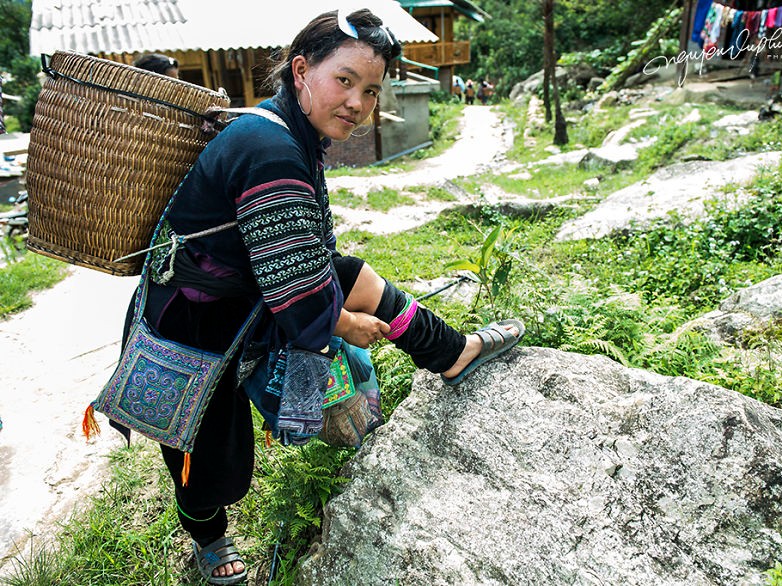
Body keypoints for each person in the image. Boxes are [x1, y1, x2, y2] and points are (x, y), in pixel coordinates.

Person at [116, 9, 523, 584]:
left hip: (236, 301)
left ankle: (447, 350)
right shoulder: (272, 148)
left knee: (351, 273)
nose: (358, 102)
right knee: (210, 463)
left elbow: (303, 254)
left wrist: (340, 302)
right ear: (302, 71)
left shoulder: (285, 129)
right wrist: (343, 324)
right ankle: (208, 537)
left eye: (372, 90)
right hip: (194, 329)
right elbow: (296, 290)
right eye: (346, 80)